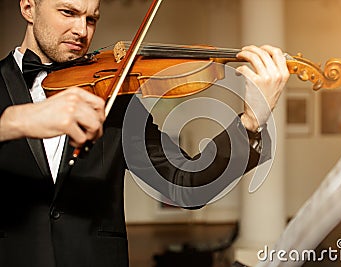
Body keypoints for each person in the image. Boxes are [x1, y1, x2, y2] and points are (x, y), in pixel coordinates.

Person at [0, 0, 289, 266]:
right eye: (68, 12)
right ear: (28, 7)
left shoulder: (114, 92)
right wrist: (15, 120)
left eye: (91, 19)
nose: (81, 30)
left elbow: (184, 185)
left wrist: (252, 121)